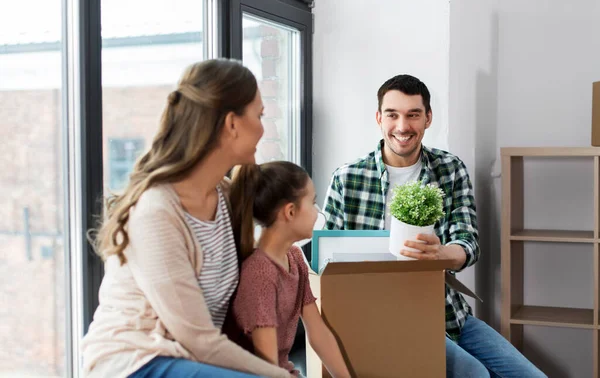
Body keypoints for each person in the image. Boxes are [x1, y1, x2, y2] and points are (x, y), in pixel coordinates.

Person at [323, 74, 546, 377]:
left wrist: (440, 255)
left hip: (447, 312)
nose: (402, 126)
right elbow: (325, 259)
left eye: (413, 114)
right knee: (474, 374)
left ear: (428, 118)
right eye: (392, 114)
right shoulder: (347, 178)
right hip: (381, 317)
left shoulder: (449, 169)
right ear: (379, 118)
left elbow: (468, 243)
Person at [81, 59, 292, 378]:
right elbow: (199, 339)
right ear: (232, 124)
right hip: (134, 362)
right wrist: (275, 375)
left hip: (189, 358)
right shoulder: (156, 211)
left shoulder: (222, 196)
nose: (264, 127)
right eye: (259, 115)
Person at [226, 161, 350, 378]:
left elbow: (319, 333)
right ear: (290, 212)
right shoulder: (260, 273)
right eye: (312, 203)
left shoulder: (294, 257)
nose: (317, 213)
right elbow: (267, 367)